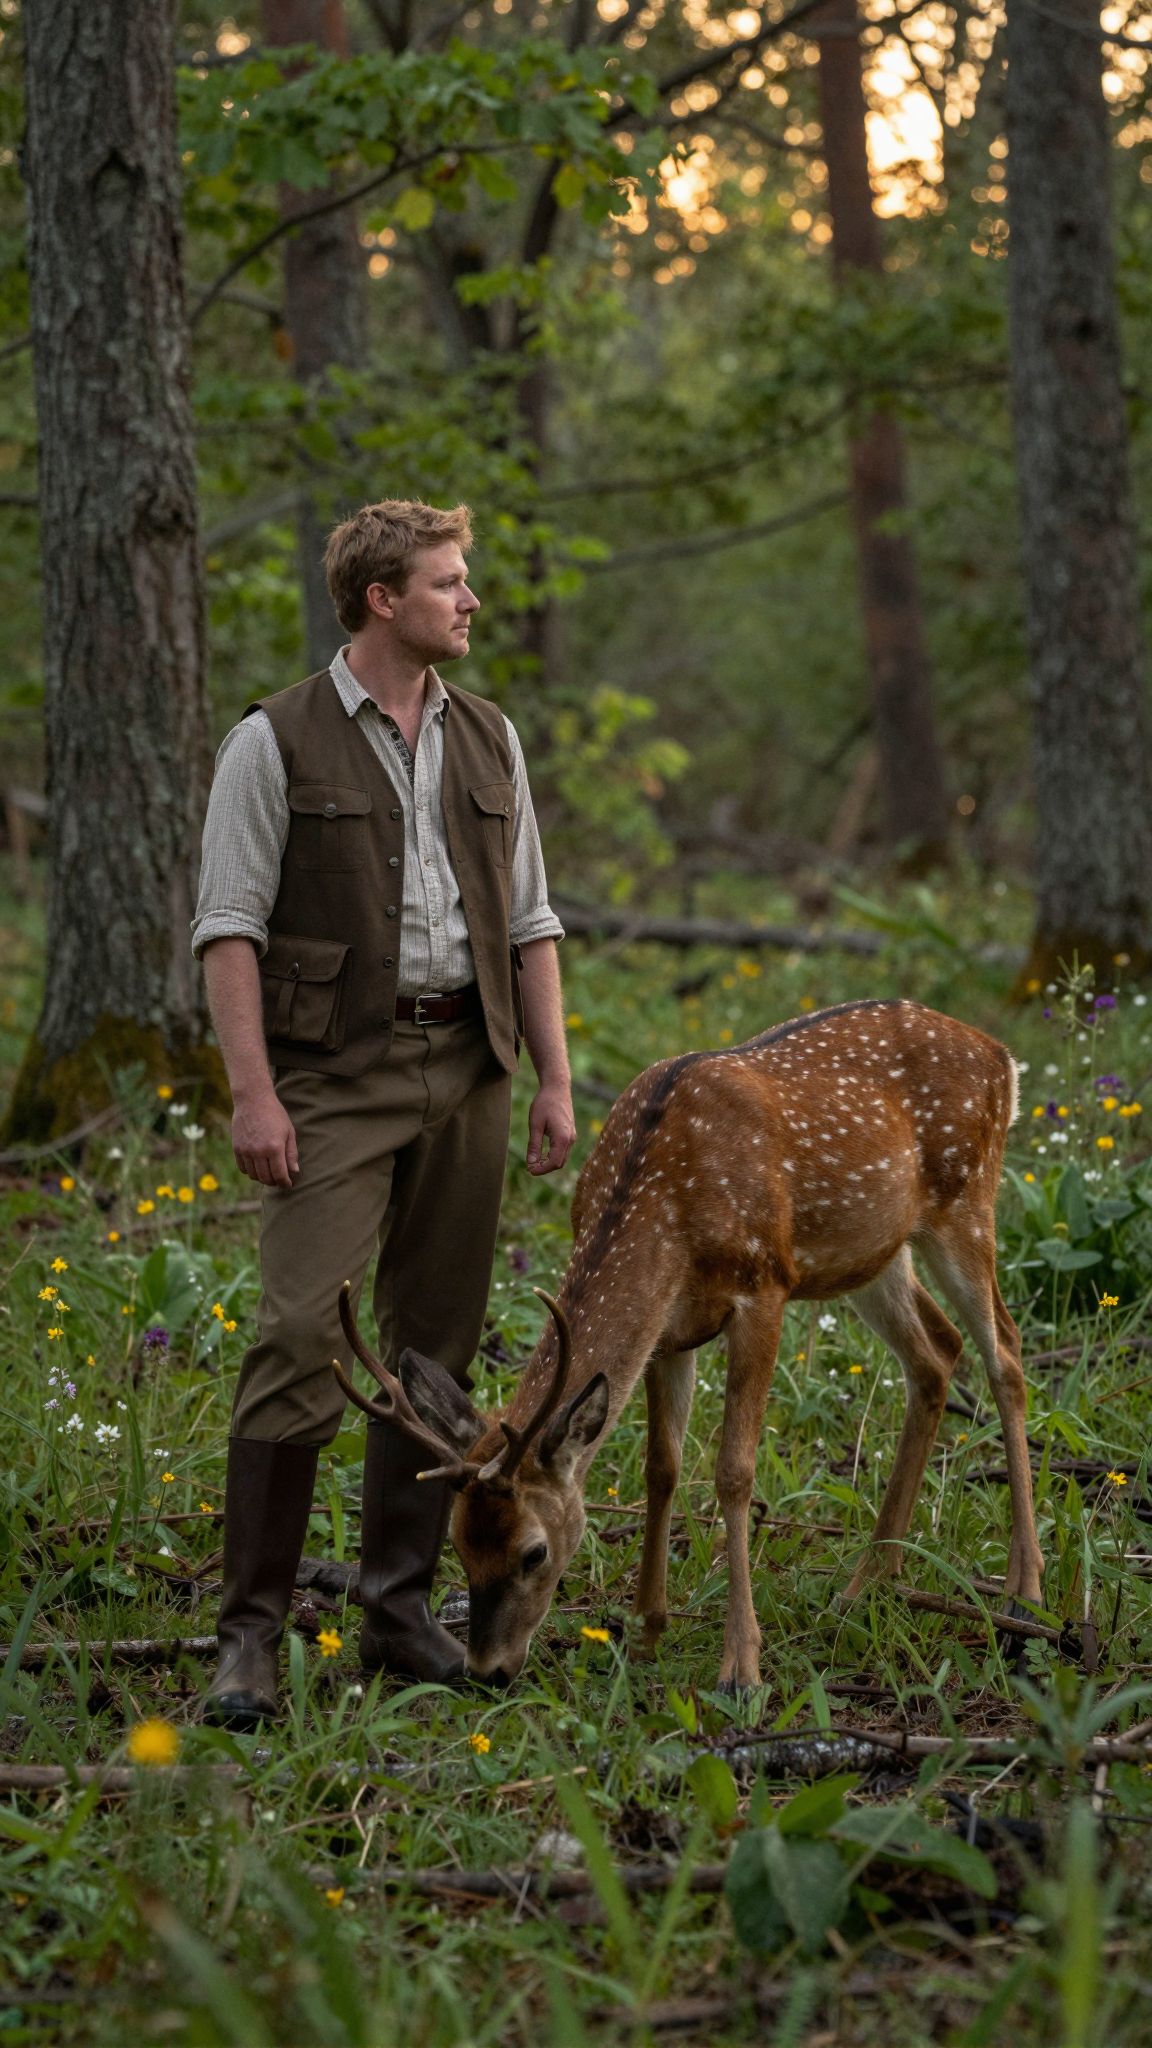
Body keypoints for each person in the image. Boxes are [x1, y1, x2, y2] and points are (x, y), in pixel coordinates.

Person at [191, 499, 575, 1729]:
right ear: (382, 599)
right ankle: (249, 1635)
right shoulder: (272, 740)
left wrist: (554, 1078)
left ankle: (399, 1611)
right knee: (301, 1330)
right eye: (449, 582)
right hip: (332, 1080)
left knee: (434, 1357)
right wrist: (254, 1091)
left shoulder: (490, 736)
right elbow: (229, 929)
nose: (469, 601)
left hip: (468, 1065)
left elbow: (531, 921)